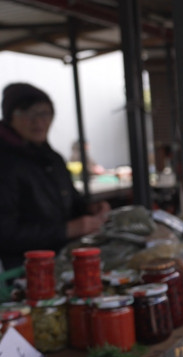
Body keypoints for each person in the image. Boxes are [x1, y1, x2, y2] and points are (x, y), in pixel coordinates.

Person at [0, 82, 109, 270]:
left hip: (62, 262)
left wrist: (90, 209)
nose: (38, 121)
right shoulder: (5, 162)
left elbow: (72, 202)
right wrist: (67, 230)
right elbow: (6, 234)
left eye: (45, 113)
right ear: (10, 117)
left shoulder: (52, 158)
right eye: (28, 114)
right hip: (22, 271)